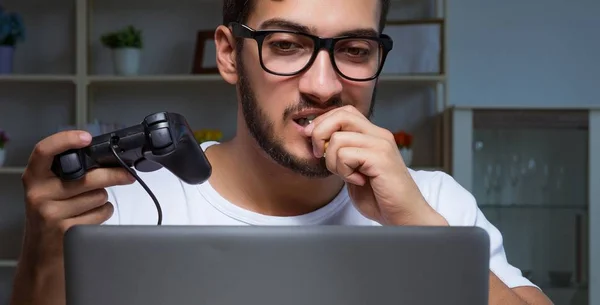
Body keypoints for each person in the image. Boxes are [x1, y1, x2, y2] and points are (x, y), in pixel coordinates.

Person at [9, 0, 553, 304]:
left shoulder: (433, 202)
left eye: (355, 50)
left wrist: (417, 225)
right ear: (228, 55)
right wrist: (44, 251)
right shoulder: (122, 204)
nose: (322, 84)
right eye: (287, 46)